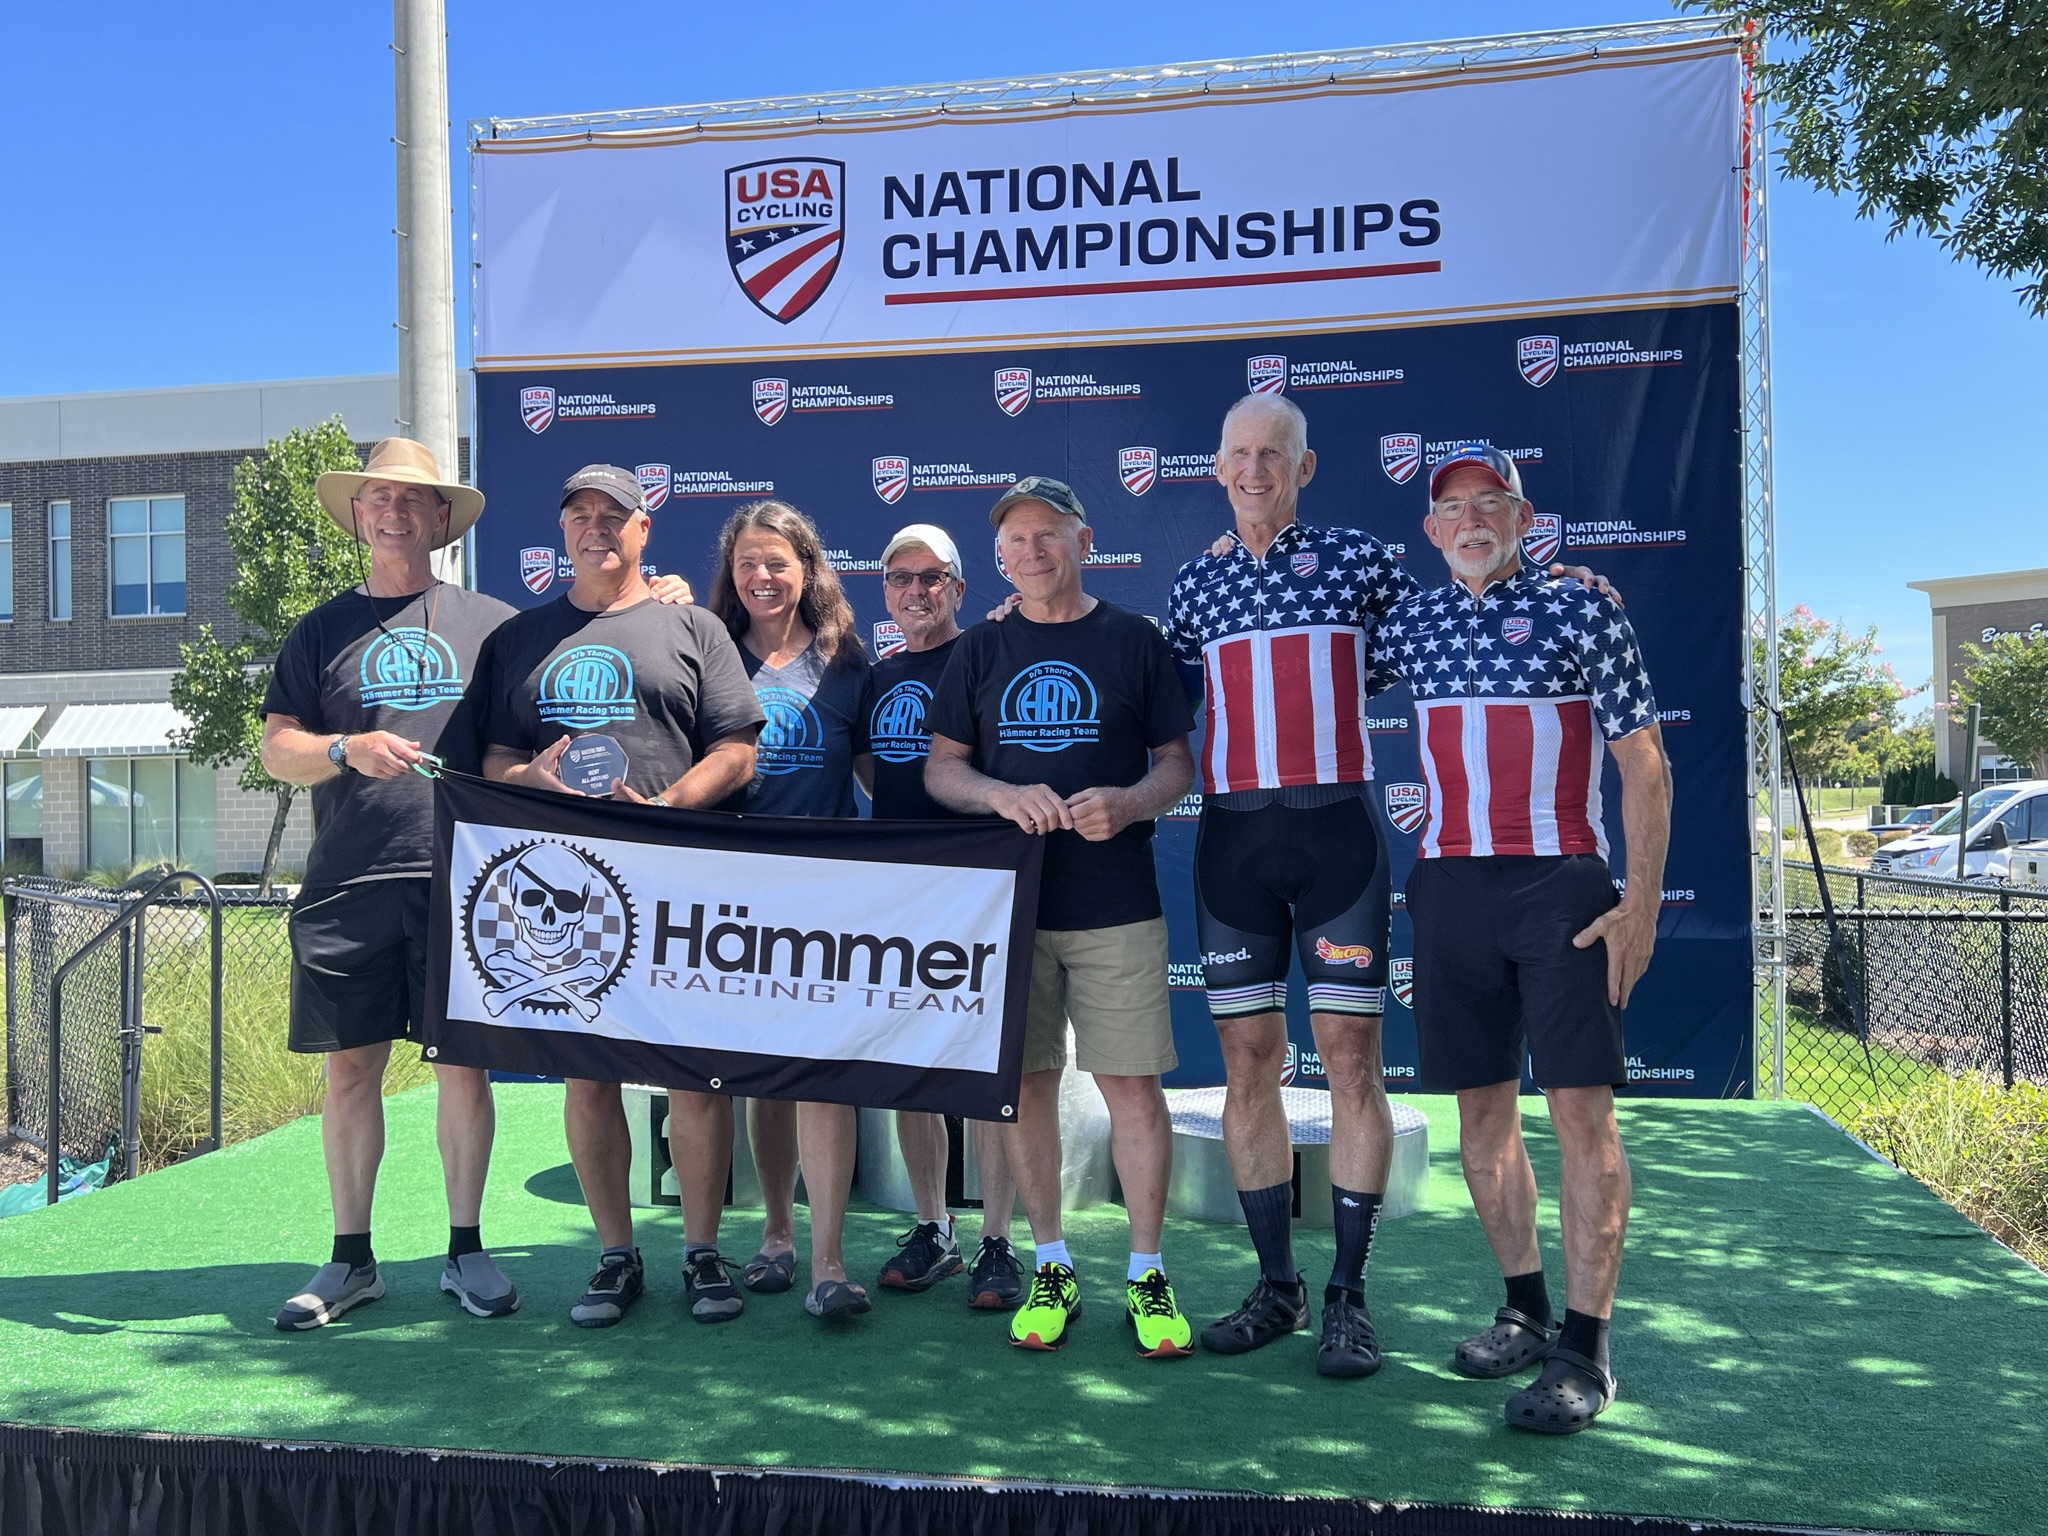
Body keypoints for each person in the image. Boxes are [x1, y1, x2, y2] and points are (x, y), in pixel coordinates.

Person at [1169, 395, 1621, 1379]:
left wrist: (1565, 584)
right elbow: (1146, 689)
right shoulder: (1195, 582)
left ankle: (1347, 1296)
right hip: (1230, 845)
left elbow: (1472, 603)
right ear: (1217, 467)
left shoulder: (1364, 563)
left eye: (1273, 454)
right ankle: (1277, 1286)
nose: (1254, 469)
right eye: (1239, 453)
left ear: (1304, 466)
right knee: (1247, 1064)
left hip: (1338, 836)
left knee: (1349, 1063)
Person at [1382, 440, 1671, 1435]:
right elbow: (1305, 644)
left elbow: (1644, 763)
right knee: (1480, 1111)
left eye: (1489, 501)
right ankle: (1525, 1310)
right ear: (1431, 529)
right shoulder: (1410, 621)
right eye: (1452, 507)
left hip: (1560, 887)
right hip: (1448, 887)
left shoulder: (1581, 608)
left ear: (1523, 516)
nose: (1470, 520)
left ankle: (1585, 1350)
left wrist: (1641, 903)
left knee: (1580, 1113)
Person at [478, 464, 763, 1329]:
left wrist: (669, 806)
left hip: (681, 881)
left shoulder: (694, 627)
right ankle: (615, 1255)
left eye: (615, 515)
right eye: (581, 515)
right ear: (562, 530)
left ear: (644, 529)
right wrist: (531, 780)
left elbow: (737, 750)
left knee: (697, 1079)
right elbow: (492, 765)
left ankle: (702, 1252)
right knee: (589, 1078)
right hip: (567, 892)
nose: (596, 527)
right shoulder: (519, 638)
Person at [926, 477, 1198, 1358]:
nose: (1032, 550)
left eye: (1049, 534)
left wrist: (1129, 802)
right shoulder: (981, 646)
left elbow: (1177, 765)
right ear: (999, 557)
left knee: (1132, 1090)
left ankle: (1147, 1273)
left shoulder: (1134, 639)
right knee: (1028, 1088)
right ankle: (1051, 1265)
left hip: (1116, 902)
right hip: (1011, 907)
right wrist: (1001, 796)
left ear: (1084, 542)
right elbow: (942, 770)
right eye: (1016, 539)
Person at [261, 438, 516, 1330]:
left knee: (464, 1070)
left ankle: (466, 1250)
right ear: (359, 514)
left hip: (465, 880)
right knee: (350, 1072)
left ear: (442, 517)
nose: (397, 512)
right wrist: (344, 748)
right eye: (381, 497)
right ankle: (351, 1261)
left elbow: (576, 658)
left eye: (415, 499)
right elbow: (277, 748)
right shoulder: (318, 630)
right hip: (350, 879)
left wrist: (667, 593)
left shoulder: (494, 624)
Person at [707, 499, 875, 1322]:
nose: (761, 576)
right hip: (737, 902)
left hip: (828, 903)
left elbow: (881, 777)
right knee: (765, 1083)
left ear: (807, 569)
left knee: (825, 1079)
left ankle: (830, 1260)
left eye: (776, 561)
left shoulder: (848, 663)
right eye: (746, 563)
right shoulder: (709, 650)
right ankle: (776, 1233)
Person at [854, 523, 1024, 1309]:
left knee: (990, 1073)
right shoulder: (876, 676)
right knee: (910, 1070)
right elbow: (872, 770)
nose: (915, 591)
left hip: (981, 890)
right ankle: (934, 1229)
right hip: (900, 895)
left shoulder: (987, 655)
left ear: (958, 588)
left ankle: (999, 1238)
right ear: (884, 591)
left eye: (931, 578)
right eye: (900, 578)